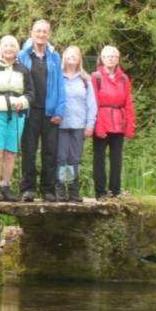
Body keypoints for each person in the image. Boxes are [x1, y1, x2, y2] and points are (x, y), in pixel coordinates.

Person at [17, 19, 66, 202]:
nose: (41, 34)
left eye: (45, 31)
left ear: (49, 35)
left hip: (50, 111)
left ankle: (48, 190)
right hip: (29, 111)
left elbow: (61, 85)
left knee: (50, 152)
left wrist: (59, 111)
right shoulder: (22, 55)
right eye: (38, 31)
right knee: (29, 150)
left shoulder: (54, 57)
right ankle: (28, 189)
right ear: (32, 32)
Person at [0, 35, 34, 202]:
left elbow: (30, 93)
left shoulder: (23, 69)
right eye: (6, 46)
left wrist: (23, 101)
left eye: (12, 46)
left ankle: (6, 186)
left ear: (17, 50)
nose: (9, 49)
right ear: (0, 48)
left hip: (16, 113)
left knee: (11, 152)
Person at [92, 45, 136, 200]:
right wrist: (96, 124)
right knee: (99, 159)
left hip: (118, 122)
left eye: (113, 56)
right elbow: (93, 103)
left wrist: (130, 125)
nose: (110, 58)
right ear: (102, 59)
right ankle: (100, 192)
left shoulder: (124, 79)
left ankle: (115, 192)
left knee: (116, 160)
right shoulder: (96, 77)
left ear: (118, 59)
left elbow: (128, 103)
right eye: (107, 56)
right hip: (101, 120)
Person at [57, 46, 97, 202]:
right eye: (69, 56)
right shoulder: (58, 77)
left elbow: (91, 104)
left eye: (75, 56)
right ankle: (60, 189)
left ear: (80, 59)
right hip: (60, 125)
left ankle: (73, 191)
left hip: (79, 125)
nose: (72, 58)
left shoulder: (85, 80)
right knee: (61, 158)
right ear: (64, 58)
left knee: (74, 159)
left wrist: (90, 124)